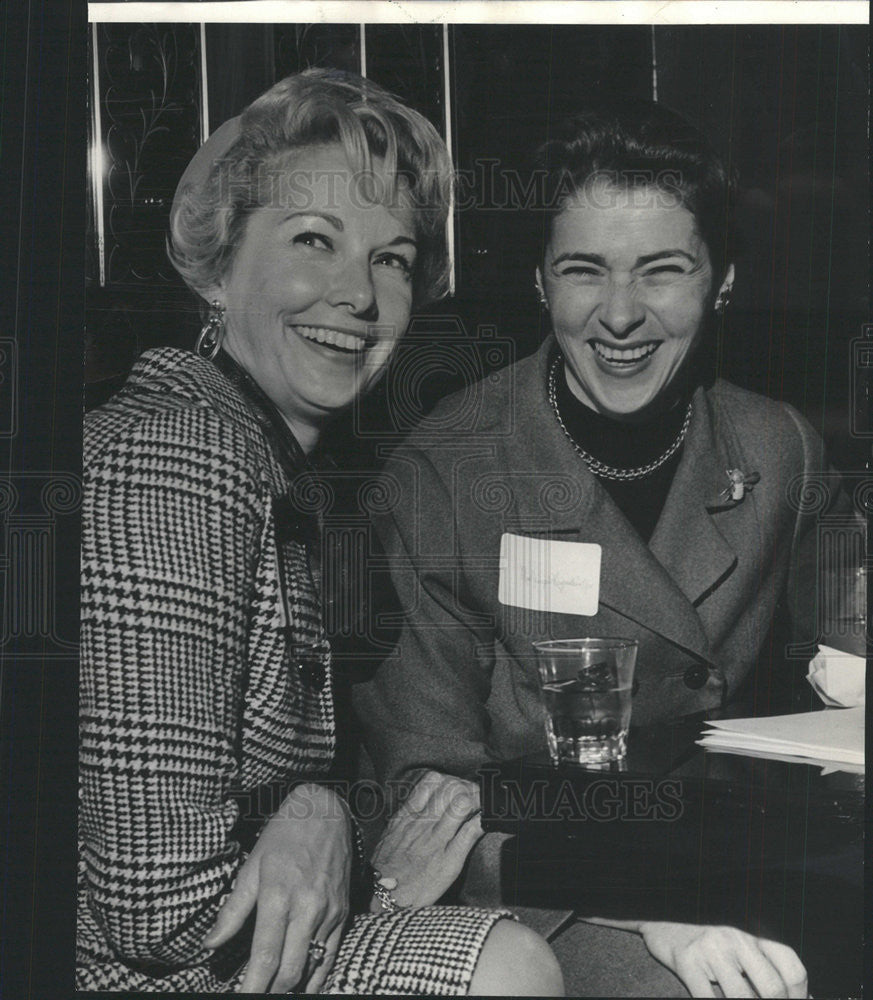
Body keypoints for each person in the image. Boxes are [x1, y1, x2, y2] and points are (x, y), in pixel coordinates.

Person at [77, 68, 564, 996]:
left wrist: (320, 807)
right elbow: (162, 912)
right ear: (218, 267)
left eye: (392, 258)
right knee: (507, 967)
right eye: (315, 241)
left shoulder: (269, 463)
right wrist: (378, 891)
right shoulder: (178, 457)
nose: (359, 295)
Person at [353, 98, 832, 997]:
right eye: (583, 270)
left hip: (740, 856)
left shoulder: (781, 453)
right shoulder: (440, 475)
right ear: (539, 280)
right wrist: (656, 909)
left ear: (719, 281)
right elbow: (425, 809)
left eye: (661, 271)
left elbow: (829, 676)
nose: (618, 315)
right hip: (545, 897)